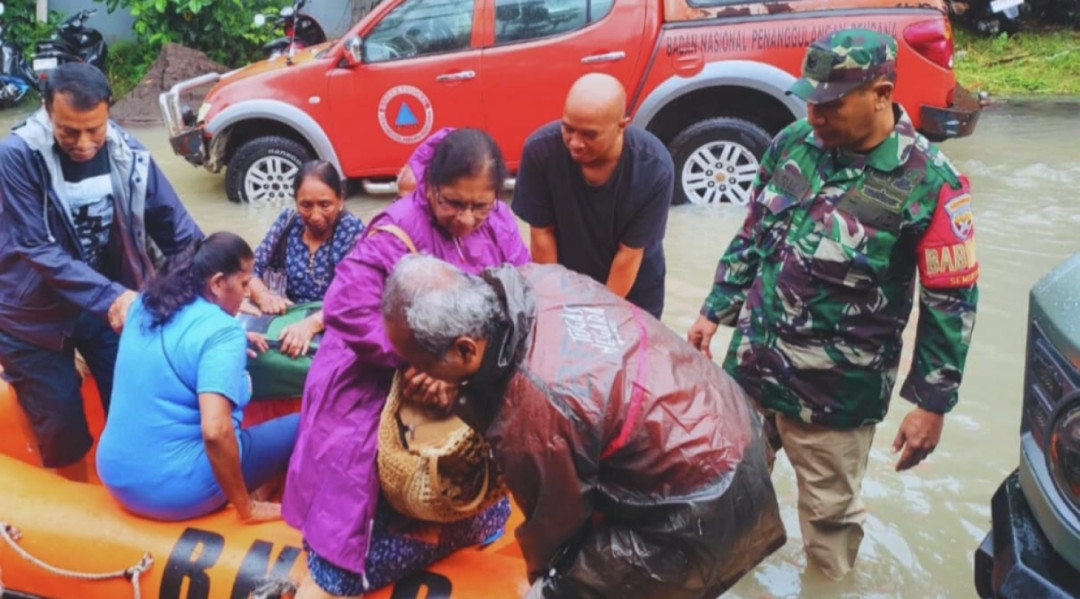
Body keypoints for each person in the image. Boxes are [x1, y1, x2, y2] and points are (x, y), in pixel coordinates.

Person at [685, 29, 979, 580]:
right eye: (811, 101)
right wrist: (713, 310)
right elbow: (753, 234)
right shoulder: (793, 143)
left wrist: (932, 404)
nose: (815, 116)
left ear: (882, 92)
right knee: (722, 491)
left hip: (833, 394)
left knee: (829, 522)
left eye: (831, 105)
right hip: (752, 366)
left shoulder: (930, 183)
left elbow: (952, 300)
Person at [380, 255, 785, 599]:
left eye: (423, 362)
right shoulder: (536, 279)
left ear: (465, 348)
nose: (418, 372)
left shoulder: (534, 414)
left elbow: (554, 526)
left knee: (566, 582)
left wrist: (547, 584)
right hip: (735, 425)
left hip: (705, 504)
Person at [283, 128, 530, 599]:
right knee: (343, 551)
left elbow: (521, 295)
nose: (467, 218)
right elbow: (345, 308)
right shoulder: (396, 230)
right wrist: (420, 362)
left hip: (460, 374)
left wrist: (468, 374)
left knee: (476, 491)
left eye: (481, 205)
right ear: (430, 186)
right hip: (374, 376)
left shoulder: (498, 222)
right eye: (453, 203)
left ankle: (457, 526)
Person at [0, 63, 202, 481]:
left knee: (134, 404)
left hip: (99, 304)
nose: (84, 143)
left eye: (94, 129)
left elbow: (177, 230)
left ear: (108, 112)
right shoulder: (17, 156)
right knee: (62, 427)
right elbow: (36, 246)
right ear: (45, 110)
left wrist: (227, 275)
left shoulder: (127, 151)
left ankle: (133, 491)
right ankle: (74, 504)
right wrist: (113, 296)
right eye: (69, 131)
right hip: (31, 316)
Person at [95, 232, 298, 522]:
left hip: (115, 474)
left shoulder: (143, 304)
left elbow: (180, 340)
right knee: (307, 423)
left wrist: (234, 341)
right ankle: (259, 501)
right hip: (176, 491)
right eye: (243, 284)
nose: (247, 294)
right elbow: (215, 431)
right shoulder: (222, 333)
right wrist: (245, 509)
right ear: (216, 283)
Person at [512, 72, 673, 320]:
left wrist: (599, 318)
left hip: (632, 287)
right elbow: (542, 235)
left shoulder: (653, 167)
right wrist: (555, 304)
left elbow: (628, 255)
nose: (575, 143)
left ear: (622, 126)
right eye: (568, 128)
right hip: (567, 279)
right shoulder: (540, 152)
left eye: (589, 134)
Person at [247, 160, 364, 358]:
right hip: (291, 316)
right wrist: (263, 295)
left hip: (335, 321)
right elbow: (249, 268)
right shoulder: (288, 222)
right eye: (306, 205)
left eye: (325, 205)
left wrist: (310, 325)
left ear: (340, 200)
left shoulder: (352, 232)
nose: (315, 216)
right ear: (296, 202)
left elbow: (355, 295)